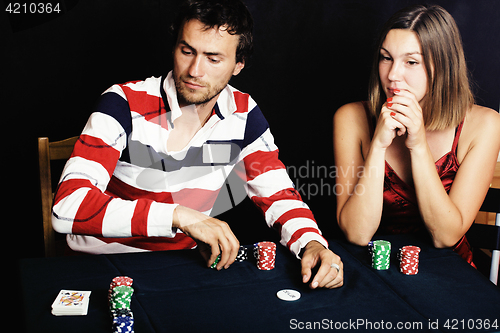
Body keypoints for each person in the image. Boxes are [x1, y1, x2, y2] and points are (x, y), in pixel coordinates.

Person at [52, 0, 343, 289]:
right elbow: (68, 206)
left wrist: (311, 243)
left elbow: (279, 195)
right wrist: (179, 216)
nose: (194, 70)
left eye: (213, 59)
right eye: (186, 51)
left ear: (238, 65)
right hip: (96, 265)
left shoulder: (244, 114)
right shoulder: (123, 102)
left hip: (179, 268)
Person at [333, 4, 500, 265]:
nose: (392, 75)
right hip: (376, 270)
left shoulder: (485, 124)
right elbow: (357, 233)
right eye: (386, 57)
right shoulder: (351, 118)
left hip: (451, 273)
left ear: (443, 67)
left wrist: (418, 145)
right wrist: (377, 146)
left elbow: (445, 237)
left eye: (411, 62)